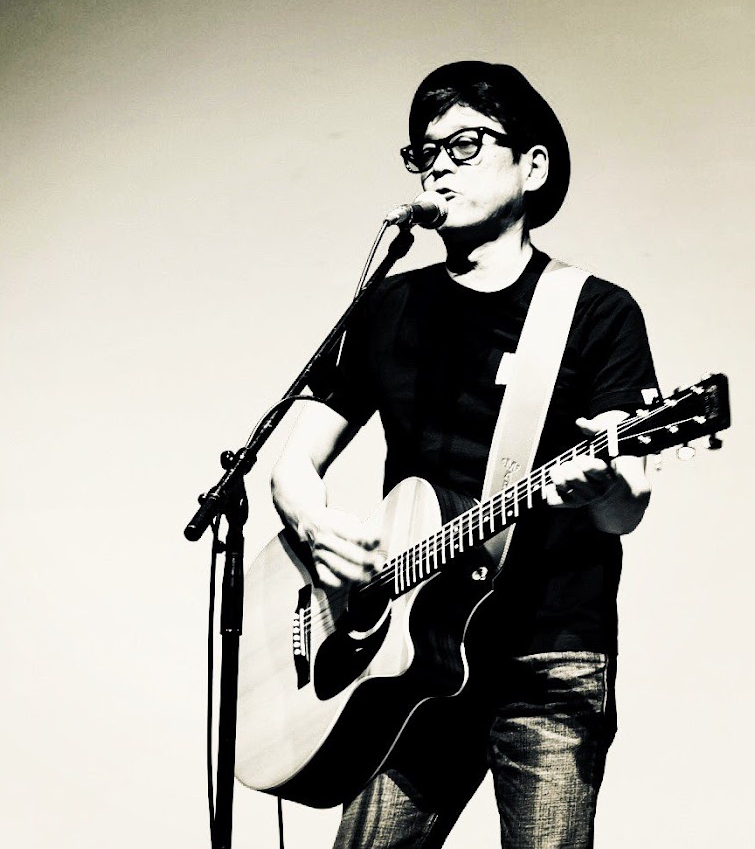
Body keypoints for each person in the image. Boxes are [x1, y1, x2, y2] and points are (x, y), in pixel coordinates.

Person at [270, 61, 660, 848]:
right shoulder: (386, 306)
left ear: (532, 167)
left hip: (549, 658)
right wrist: (313, 525)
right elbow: (290, 463)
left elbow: (627, 507)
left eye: (466, 145)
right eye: (424, 151)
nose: (439, 165)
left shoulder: (595, 312)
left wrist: (601, 486)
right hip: (408, 660)